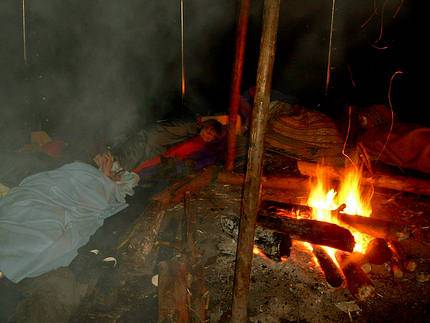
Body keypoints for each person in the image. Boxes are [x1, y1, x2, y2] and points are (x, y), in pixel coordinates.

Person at [131, 119, 226, 180]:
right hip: (165, 155)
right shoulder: (194, 135)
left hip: (167, 161)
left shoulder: (199, 144)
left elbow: (174, 153)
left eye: (213, 137)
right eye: (209, 133)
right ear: (204, 127)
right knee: (140, 166)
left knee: (141, 169)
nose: (209, 138)